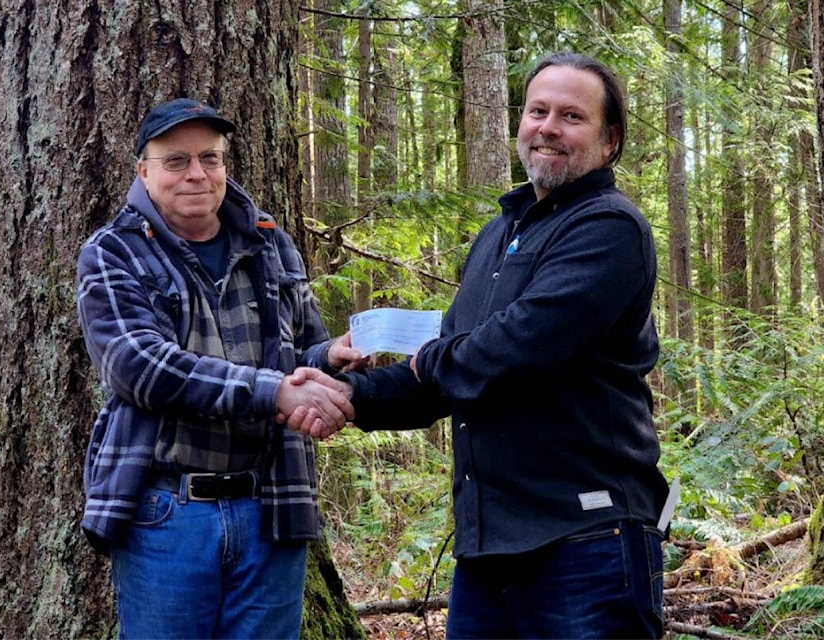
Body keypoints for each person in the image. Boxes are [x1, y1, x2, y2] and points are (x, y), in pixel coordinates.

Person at [290, 52, 669, 638]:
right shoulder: (500, 234)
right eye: (537, 110)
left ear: (609, 139)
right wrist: (347, 396)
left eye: (571, 116)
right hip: (489, 550)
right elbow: (452, 373)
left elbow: (514, 348)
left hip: (587, 540)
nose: (547, 127)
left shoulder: (609, 228)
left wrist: (434, 357)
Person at [76, 97, 363, 639]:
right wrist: (276, 392)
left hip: (272, 506)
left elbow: (302, 348)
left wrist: (329, 360)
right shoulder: (113, 253)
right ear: (143, 170)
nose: (196, 174)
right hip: (167, 512)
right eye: (176, 161)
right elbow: (140, 367)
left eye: (210, 158)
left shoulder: (270, 243)